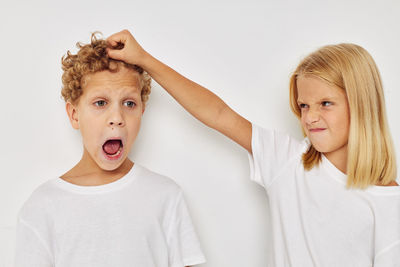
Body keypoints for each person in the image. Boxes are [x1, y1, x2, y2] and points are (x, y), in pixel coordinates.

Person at [105, 29, 400, 266]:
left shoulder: (389, 204)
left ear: (361, 105)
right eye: (303, 105)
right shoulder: (288, 162)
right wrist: (144, 60)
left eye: (325, 103)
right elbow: (218, 114)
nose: (309, 117)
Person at [14, 32, 206, 267]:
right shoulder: (42, 207)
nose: (117, 118)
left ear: (142, 112)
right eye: (101, 103)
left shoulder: (165, 196)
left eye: (129, 104)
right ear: (75, 115)